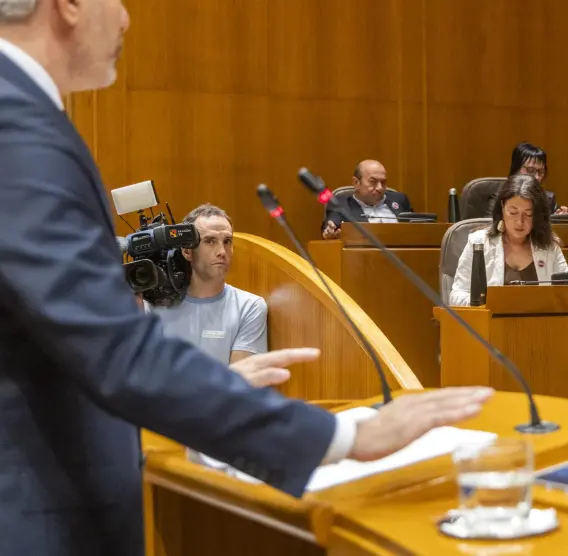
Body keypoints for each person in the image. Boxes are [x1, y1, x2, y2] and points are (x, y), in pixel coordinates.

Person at [0, 2, 492, 553]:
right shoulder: (17, 128)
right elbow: (112, 353)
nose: (125, 20)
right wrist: (345, 435)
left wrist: (218, 388)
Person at [150, 204, 271, 367]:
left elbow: (240, 383)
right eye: (210, 241)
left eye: (227, 241)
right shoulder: (155, 304)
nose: (222, 251)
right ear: (187, 251)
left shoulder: (249, 306)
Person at [449, 174, 568, 306]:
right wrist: (486, 304)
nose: (520, 221)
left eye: (528, 214)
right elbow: (456, 295)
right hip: (490, 324)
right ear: (502, 207)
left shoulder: (549, 247)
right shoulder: (479, 243)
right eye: (513, 212)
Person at [321, 159, 415, 239]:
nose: (380, 188)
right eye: (373, 182)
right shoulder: (341, 204)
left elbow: (416, 229)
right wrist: (329, 232)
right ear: (356, 183)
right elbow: (330, 227)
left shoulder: (400, 199)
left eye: (383, 182)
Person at [506, 141, 567, 214]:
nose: (537, 177)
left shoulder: (548, 200)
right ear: (516, 169)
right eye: (531, 170)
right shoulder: (499, 197)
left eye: (541, 172)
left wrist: (560, 219)